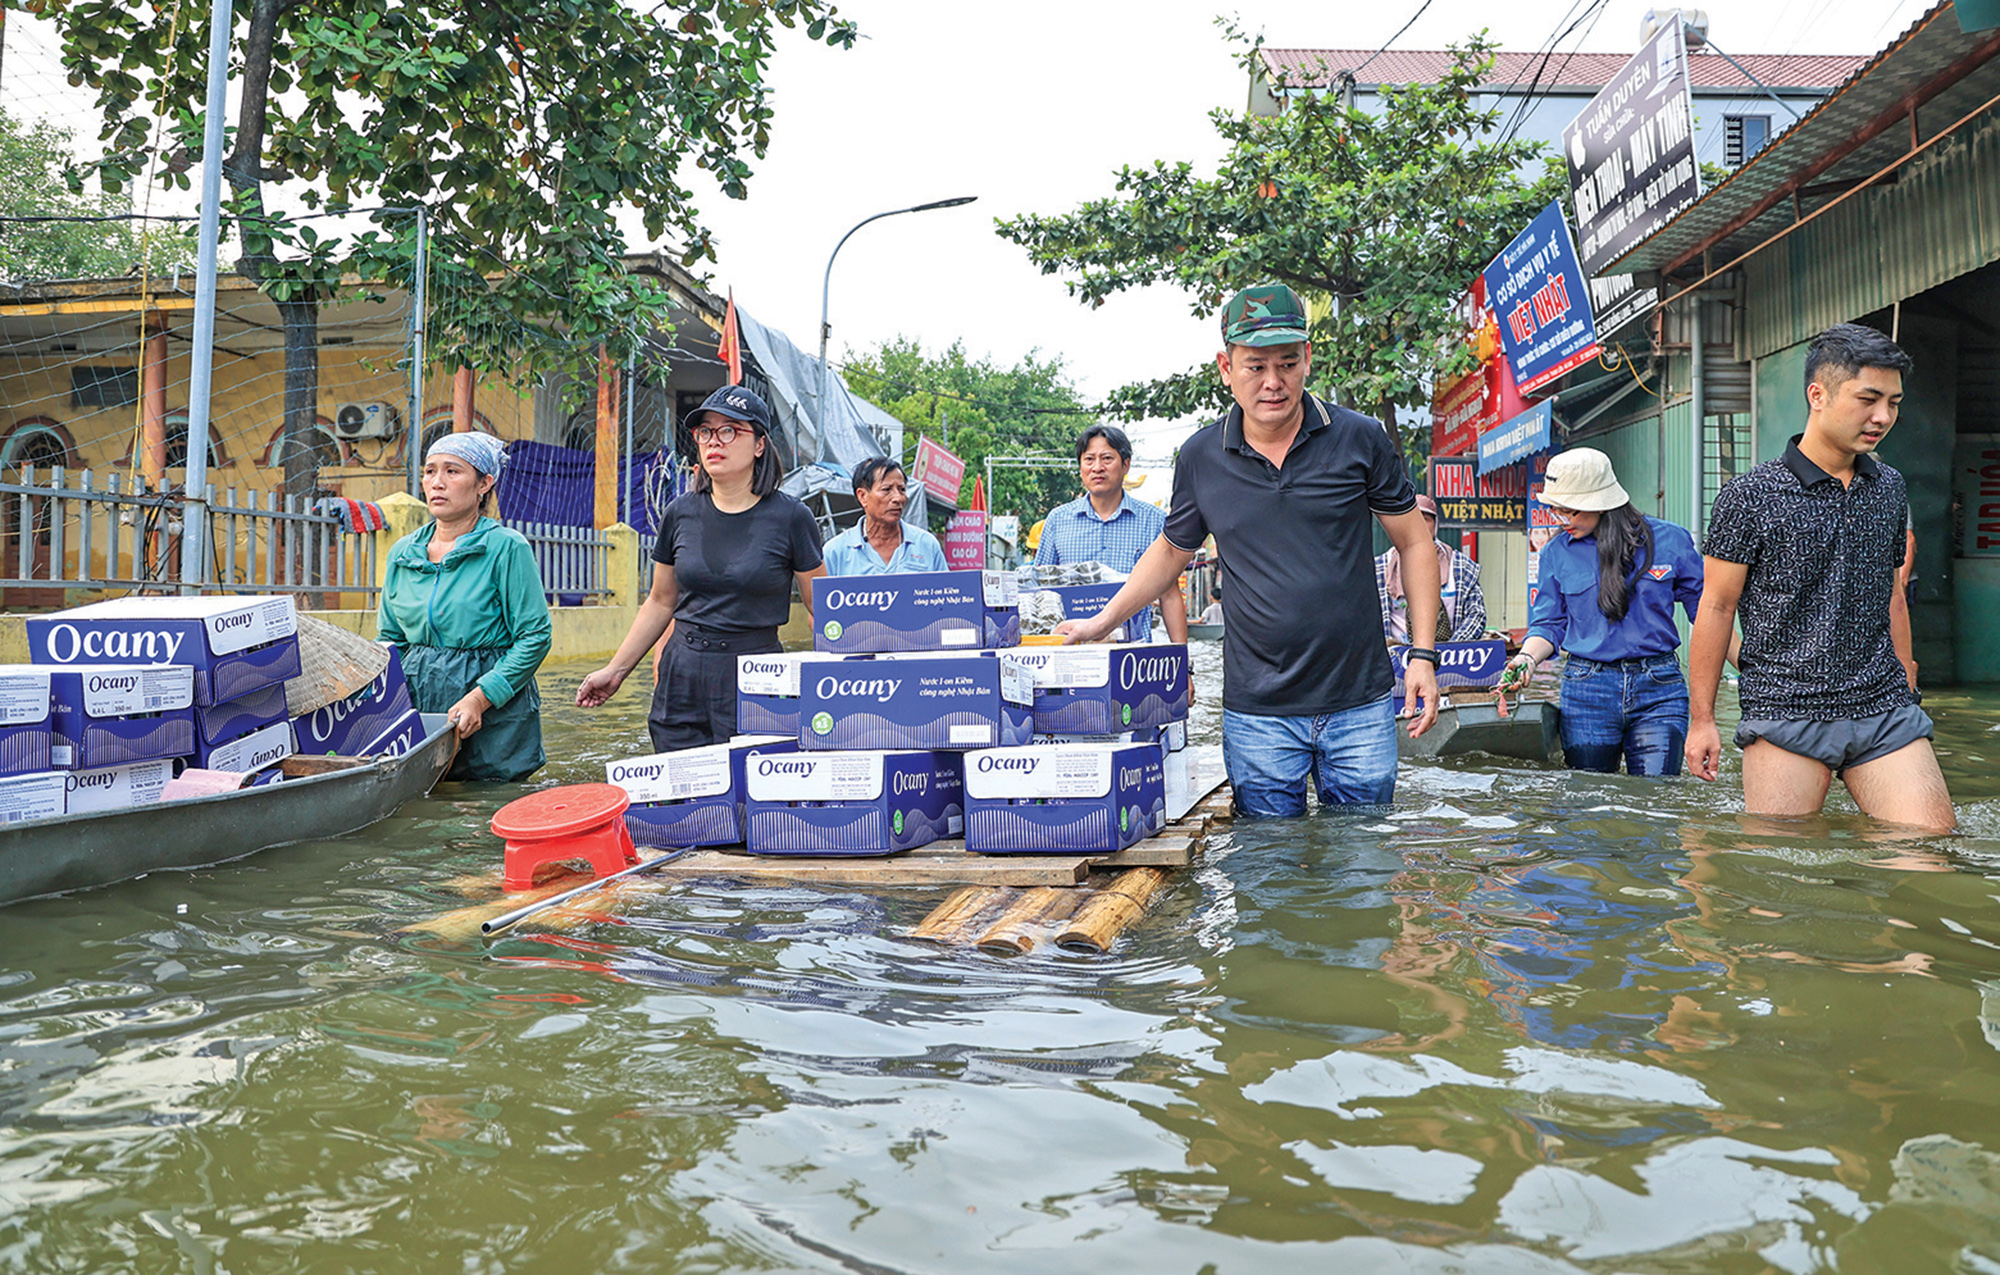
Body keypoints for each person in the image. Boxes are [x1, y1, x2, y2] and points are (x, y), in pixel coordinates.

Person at [1057, 282, 1440, 816]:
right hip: (1259, 711)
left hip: (1360, 702)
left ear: (1307, 358)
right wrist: (1101, 622)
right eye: (1255, 366)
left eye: (1287, 363)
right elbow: (1171, 552)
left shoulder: (1360, 438)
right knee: (1266, 869)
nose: (1273, 382)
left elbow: (1415, 542)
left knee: (1364, 866)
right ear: (1225, 366)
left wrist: (1422, 655)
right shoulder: (1200, 456)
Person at [1685, 323, 1953, 831]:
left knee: (1929, 850)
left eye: (1894, 403)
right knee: (1782, 882)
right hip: (1785, 711)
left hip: (1882, 705)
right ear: (1818, 394)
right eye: (1869, 399)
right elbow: (1716, 607)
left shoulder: (1889, 487)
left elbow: (1891, 590)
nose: (1883, 417)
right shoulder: (1749, 495)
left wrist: (1906, 674)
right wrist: (1702, 721)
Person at [576, 386, 826, 751]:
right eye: (705, 432)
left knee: (749, 791)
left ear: (759, 444)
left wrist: (836, 685)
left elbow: (822, 609)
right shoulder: (680, 513)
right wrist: (616, 671)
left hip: (757, 674)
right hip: (683, 673)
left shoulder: (792, 518)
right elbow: (661, 602)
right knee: (680, 792)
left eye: (729, 430)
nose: (713, 441)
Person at [1495, 448, 1703, 775]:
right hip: (1586, 689)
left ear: (1600, 504)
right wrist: (1526, 659)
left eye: (1570, 512)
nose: (1560, 521)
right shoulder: (1555, 554)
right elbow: (1549, 624)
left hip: (1659, 687)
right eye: (1555, 511)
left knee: (1656, 802)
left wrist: (1750, 670)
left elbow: (1709, 617)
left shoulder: (1670, 541)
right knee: (1589, 804)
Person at [377, 432, 552, 782]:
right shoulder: (403, 553)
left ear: (484, 483)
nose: (436, 483)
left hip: (495, 709)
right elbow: (389, 638)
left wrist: (481, 698)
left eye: (452, 472)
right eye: (429, 471)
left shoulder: (506, 548)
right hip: (420, 701)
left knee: (488, 807)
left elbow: (535, 636)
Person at [1035, 424, 1189, 643]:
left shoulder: (1154, 520)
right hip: (1071, 652)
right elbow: (1040, 589)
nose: (1097, 467)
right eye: (1089, 459)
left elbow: (1170, 595)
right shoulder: (1057, 521)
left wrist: (1183, 663)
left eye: (1107, 458)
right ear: (1080, 466)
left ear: (1125, 465)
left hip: (1134, 657)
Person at [1376, 494, 1487, 644]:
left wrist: (1451, 649)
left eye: (1426, 519)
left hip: (1452, 661)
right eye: (1413, 518)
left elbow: (1476, 614)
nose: (1419, 524)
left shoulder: (1460, 567)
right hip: (1394, 660)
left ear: (1435, 524)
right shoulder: (1379, 569)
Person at [821, 456, 948, 575]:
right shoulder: (835, 552)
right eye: (886, 490)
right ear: (863, 496)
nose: (898, 498)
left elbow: (946, 594)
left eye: (902, 489)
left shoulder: (927, 544)